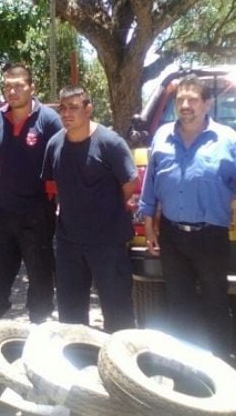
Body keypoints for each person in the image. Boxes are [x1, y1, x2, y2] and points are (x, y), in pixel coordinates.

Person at [138, 75, 236, 355]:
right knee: (178, 306)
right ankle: (184, 369)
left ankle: (221, 366)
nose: (185, 105)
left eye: (192, 99)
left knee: (215, 304)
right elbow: (151, 184)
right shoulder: (162, 136)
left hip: (211, 236)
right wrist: (149, 226)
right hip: (172, 236)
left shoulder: (228, 140)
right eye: (180, 100)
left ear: (207, 104)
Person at [41, 85, 138, 333]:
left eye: (74, 107)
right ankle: (78, 363)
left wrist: (107, 211)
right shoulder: (54, 144)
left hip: (108, 243)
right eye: (62, 108)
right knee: (71, 318)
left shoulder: (110, 143)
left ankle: (120, 366)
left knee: (118, 316)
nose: (66, 113)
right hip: (68, 243)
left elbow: (130, 184)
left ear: (89, 109)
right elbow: (52, 186)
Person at [0, 63, 62, 323]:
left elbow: (58, 161)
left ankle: (39, 328)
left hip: (37, 211)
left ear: (32, 88)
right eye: (7, 86)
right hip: (3, 210)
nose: (12, 91)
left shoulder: (49, 120)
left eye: (19, 85)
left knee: (40, 275)